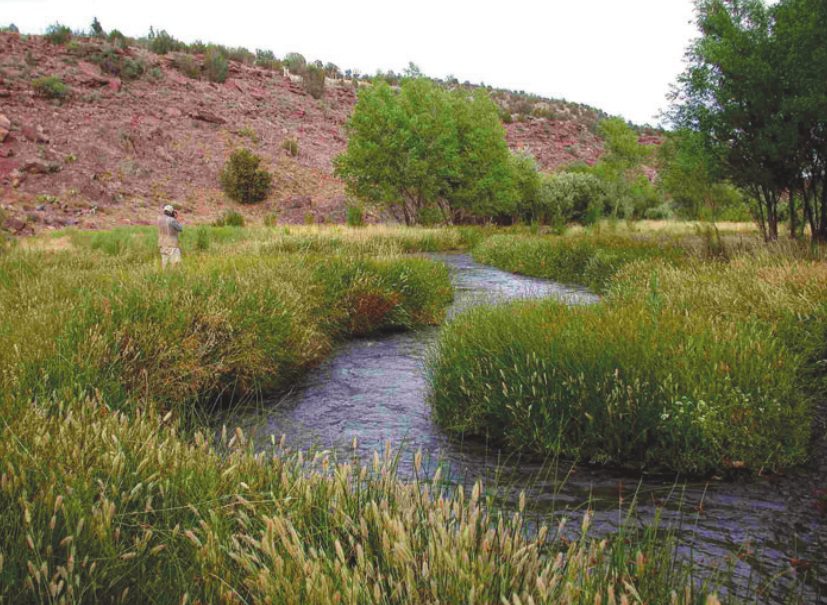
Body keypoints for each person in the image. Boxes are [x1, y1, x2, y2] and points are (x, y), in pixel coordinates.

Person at [158, 204, 183, 269]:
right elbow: (180, 228)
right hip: (172, 244)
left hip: (162, 244)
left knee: (164, 263)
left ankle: (164, 276)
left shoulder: (159, 219)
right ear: (171, 212)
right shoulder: (172, 220)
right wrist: (176, 218)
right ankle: (173, 275)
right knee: (175, 263)